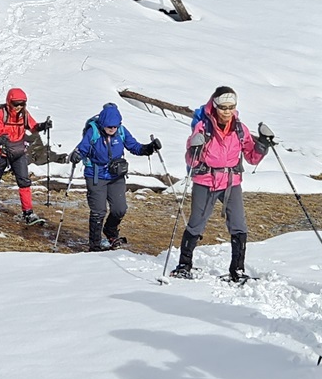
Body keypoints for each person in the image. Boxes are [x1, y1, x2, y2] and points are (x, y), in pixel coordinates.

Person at [175, 87, 271, 282]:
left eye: (231, 107)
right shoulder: (203, 127)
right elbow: (191, 161)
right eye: (223, 107)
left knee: (239, 224)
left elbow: (252, 158)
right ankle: (184, 265)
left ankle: (238, 269)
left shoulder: (239, 128)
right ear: (215, 106)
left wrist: (262, 144)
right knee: (196, 223)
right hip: (205, 181)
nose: (227, 111)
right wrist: (195, 148)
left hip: (230, 182)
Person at [73, 103, 161, 250]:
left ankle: (110, 231)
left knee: (120, 209)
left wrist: (149, 148)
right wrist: (76, 155)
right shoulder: (93, 132)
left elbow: (135, 147)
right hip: (96, 176)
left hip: (116, 176)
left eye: (114, 126)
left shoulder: (121, 131)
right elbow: (82, 148)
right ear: (102, 124)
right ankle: (95, 245)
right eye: (109, 127)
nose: (112, 129)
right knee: (98, 211)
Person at [0, 88, 51, 226]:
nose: (19, 106)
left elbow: (33, 127)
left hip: (18, 152)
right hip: (0, 152)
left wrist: (43, 126)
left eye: (22, 104)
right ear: (9, 102)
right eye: (16, 103)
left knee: (24, 181)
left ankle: (28, 213)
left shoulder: (24, 114)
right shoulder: (1, 113)